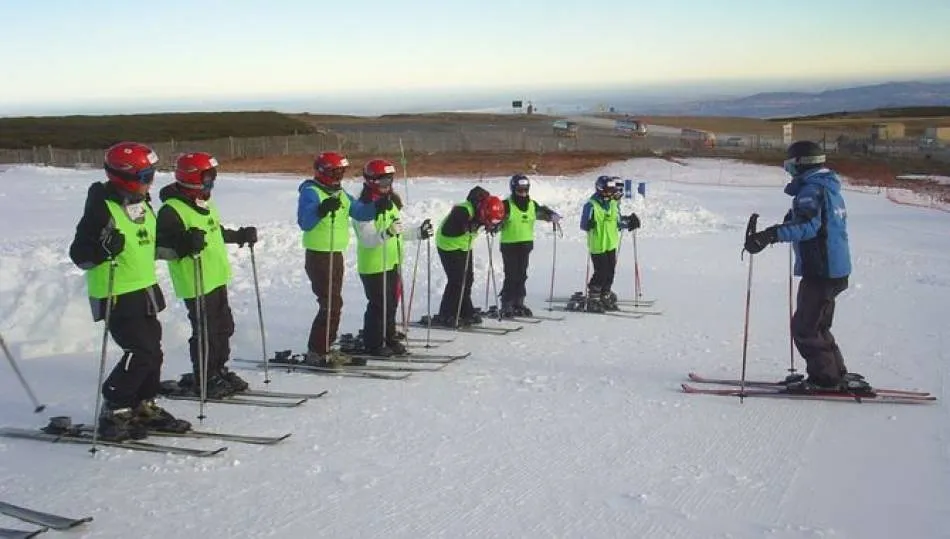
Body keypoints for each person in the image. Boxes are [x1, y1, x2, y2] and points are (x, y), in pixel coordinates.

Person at [68, 142, 191, 441]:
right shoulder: (102, 207)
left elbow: (147, 242)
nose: (151, 180)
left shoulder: (140, 201)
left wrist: (183, 244)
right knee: (140, 351)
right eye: (146, 174)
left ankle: (142, 403)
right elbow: (80, 254)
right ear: (126, 176)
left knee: (154, 351)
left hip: (143, 288)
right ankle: (116, 405)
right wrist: (104, 248)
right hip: (118, 292)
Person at [743, 140, 870, 393]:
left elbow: (809, 226)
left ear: (802, 164)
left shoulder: (812, 190)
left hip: (822, 269)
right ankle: (833, 372)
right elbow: (813, 222)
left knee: (806, 327)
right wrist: (787, 224)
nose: (789, 170)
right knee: (817, 324)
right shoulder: (825, 187)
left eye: (790, 165)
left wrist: (770, 235)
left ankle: (825, 379)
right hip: (831, 268)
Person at [155, 151, 257, 398]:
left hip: (216, 277)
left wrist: (238, 236)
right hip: (195, 281)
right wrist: (185, 244)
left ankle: (218, 369)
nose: (213, 180)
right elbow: (160, 248)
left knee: (224, 327)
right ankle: (204, 376)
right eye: (208, 176)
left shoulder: (203, 202)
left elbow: (214, 232)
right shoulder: (172, 210)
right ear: (193, 177)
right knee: (206, 331)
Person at [297, 151, 374, 366]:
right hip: (319, 255)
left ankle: (326, 347)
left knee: (334, 302)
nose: (339, 175)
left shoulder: (340, 193)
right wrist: (322, 209)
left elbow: (359, 212)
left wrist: (377, 206)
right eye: (335, 171)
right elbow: (304, 221)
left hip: (335, 254)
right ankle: (317, 351)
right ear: (323, 171)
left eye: (342, 171)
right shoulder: (311, 192)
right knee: (330, 303)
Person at [352, 159, 433, 357]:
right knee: (379, 305)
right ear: (371, 181)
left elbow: (399, 231)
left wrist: (418, 233)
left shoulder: (390, 203)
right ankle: (373, 343)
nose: (387, 185)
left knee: (391, 304)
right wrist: (387, 232)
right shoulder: (363, 206)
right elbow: (367, 238)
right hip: (373, 264)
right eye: (382, 181)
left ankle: (389, 337)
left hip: (391, 261)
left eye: (390, 180)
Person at [427, 187, 504, 327]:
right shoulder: (463, 210)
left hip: (464, 245)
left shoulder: (486, 209)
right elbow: (450, 229)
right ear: (483, 211)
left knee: (468, 279)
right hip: (448, 244)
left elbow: (491, 220)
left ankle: (464, 310)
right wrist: (468, 226)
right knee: (456, 280)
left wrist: (492, 226)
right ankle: (447, 313)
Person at [497, 173, 561, 317]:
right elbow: (497, 220)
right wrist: (495, 225)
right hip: (509, 245)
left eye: (525, 190)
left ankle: (519, 302)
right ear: (513, 189)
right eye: (520, 190)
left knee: (522, 275)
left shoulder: (532, 204)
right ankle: (507, 303)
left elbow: (541, 213)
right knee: (511, 275)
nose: (523, 193)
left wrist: (551, 216)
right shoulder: (506, 205)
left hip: (525, 245)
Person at [577, 175, 640, 312]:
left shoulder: (613, 204)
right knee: (601, 271)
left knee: (610, 270)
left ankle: (605, 293)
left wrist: (630, 221)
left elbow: (617, 222)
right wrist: (589, 224)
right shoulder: (591, 205)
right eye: (607, 191)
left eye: (611, 191)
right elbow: (583, 225)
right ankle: (594, 296)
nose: (609, 194)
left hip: (611, 244)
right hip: (598, 245)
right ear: (600, 190)